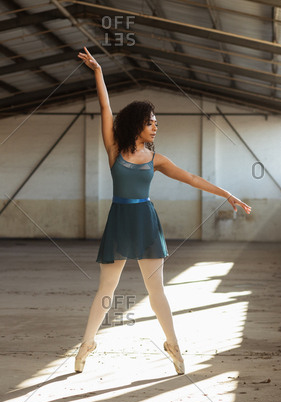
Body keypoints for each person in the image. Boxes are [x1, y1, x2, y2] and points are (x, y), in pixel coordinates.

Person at [75, 47, 251, 375]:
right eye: (151, 123)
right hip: (119, 220)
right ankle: (87, 343)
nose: (156, 128)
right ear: (138, 124)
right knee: (106, 290)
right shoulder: (114, 148)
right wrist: (98, 71)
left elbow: (192, 178)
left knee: (156, 291)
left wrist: (226, 193)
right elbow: (105, 106)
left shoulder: (158, 160)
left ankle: (173, 345)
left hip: (145, 221)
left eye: (157, 124)